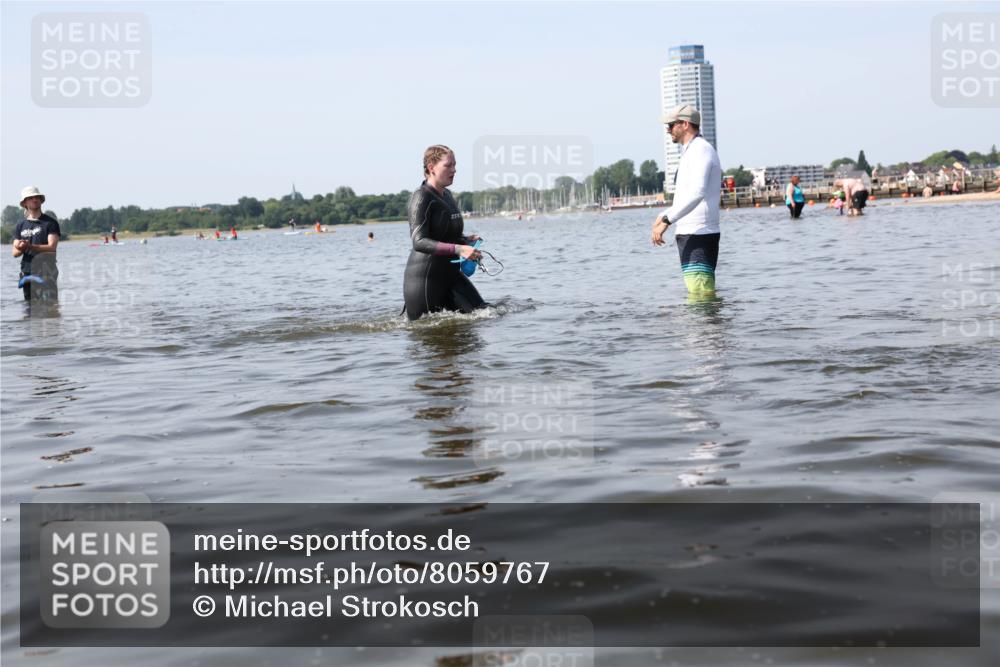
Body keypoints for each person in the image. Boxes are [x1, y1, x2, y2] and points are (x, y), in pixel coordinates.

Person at [403, 144, 486, 320]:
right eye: (448, 165)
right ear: (431, 168)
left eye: (455, 165)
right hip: (425, 281)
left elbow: (445, 235)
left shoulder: (447, 195)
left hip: (450, 275)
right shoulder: (422, 197)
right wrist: (459, 249)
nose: (454, 170)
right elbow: (419, 241)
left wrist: (465, 241)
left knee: (486, 314)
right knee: (426, 333)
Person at [651, 105, 722, 296]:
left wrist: (667, 221)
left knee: (701, 296)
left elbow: (698, 192)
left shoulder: (701, 150)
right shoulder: (692, 151)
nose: (668, 129)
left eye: (671, 125)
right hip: (691, 233)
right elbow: (686, 195)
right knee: (698, 294)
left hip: (699, 232)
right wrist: (664, 214)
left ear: (685, 124)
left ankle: (705, 327)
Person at [11, 186, 60, 303]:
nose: (34, 199)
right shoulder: (20, 225)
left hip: (46, 272)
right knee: (30, 311)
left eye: (37, 197)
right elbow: (15, 253)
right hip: (27, 273)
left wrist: (30, 246)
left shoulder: (50, 223)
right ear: (24, 203)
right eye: (31, 198)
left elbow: (52, 247)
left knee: (50, 310)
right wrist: (21, 248)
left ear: (41, 200)